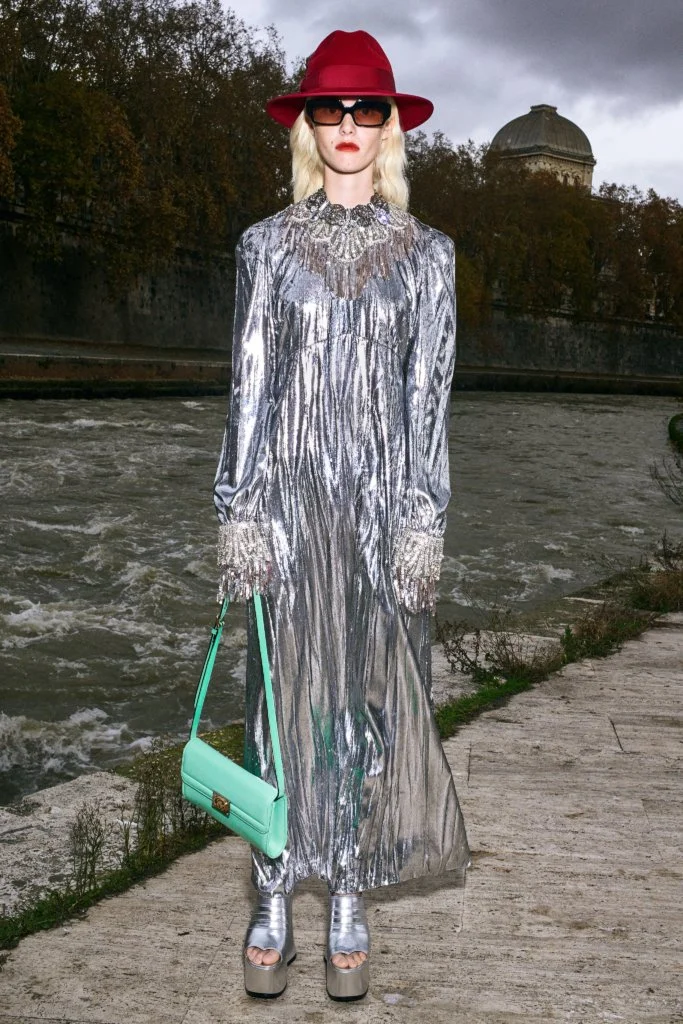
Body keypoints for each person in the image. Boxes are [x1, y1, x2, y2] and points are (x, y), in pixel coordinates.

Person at [213, 28, 471, 1001]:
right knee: (276, 704)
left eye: (367, 108)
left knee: (365, 704)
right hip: (285, 506)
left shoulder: (429, 257)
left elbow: (428, 398)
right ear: (307, 126)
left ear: (389, 125)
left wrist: (422, 517)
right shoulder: (265, 246)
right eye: (330, 107)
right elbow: (249, 388)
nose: (349, 123)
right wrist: (239, 506)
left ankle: (350, 891)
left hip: (380, 510)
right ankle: (274, 888)